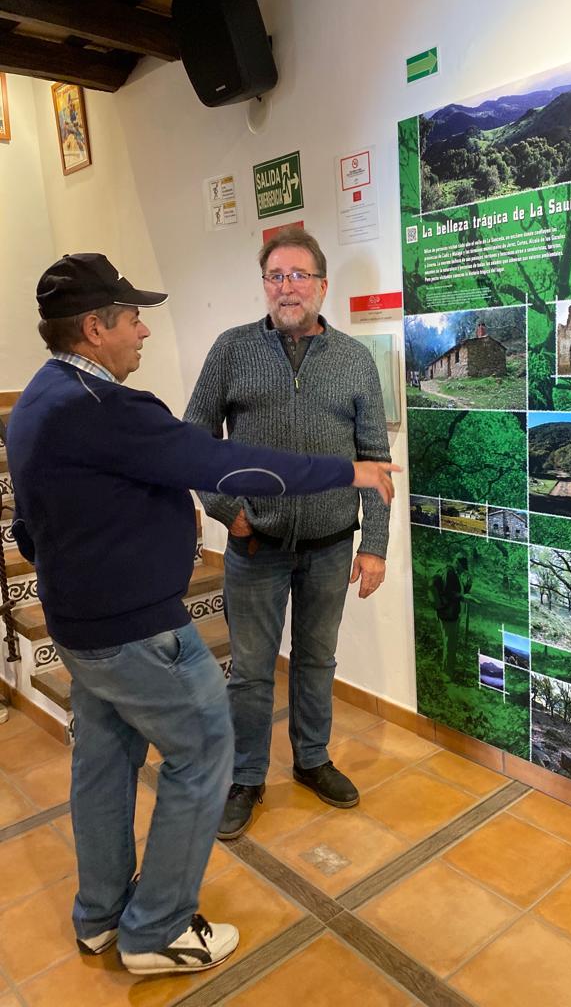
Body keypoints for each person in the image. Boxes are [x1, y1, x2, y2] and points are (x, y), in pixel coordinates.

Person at [5, 253, 397, 977]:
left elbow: (30, 526)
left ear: (320, 286)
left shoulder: (37, 399)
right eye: (129, 318)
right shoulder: (106, 409)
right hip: (136, 629)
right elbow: (227, 461)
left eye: (300, 275)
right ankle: (154, 930)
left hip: (84, 622)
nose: (142, 329)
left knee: (103, 759)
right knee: (204, 752)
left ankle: (98, 917)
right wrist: (348, 473)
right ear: (93, 328)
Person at [184, 226, 392, 839]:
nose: (287, 287)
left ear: (323, 286)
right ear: (265, 287)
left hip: (330, 545)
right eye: (276, 276)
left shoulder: (354, 360)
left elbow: (375, 458)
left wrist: (374, 545)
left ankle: (311, 759)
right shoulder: (231, 350)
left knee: (316, 660)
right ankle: (246, 777)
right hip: (256, 546)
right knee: (250, 669)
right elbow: (193, 441)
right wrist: (228, 511)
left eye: (299, 275)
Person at [431, 553, 475, 679]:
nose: (462, 570)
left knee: (452, 643)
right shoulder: (449, 572)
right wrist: (462, 597)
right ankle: (446, 673)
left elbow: (457, 591)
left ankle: (449, 670)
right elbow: (447, 592)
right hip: (447, 614)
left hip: (453, 613)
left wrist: (467, 587)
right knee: (449, 643)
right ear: (457, 563)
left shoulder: (455, 573)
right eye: (462, 567)